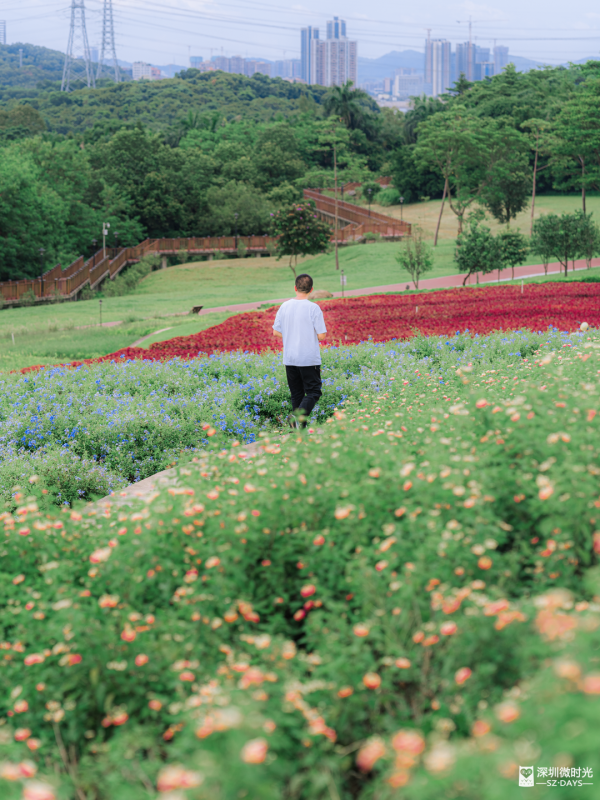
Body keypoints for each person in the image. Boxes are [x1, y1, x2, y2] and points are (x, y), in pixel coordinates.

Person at [272, 273, 327, 429]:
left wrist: (291, 335)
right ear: (311, 289)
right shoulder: (313, 308)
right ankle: (296, 418)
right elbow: (321, 336)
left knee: (296, 394)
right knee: (314, 392)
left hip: (290, 358)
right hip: (308, 357)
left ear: (295, 288)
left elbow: (275, 332)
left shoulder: (284, 306)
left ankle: (298, 432)